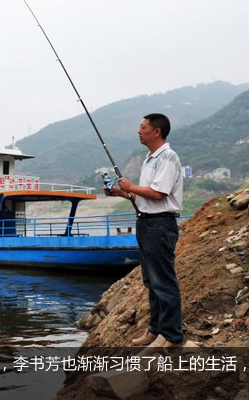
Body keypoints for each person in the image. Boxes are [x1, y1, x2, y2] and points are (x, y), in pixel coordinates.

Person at [104, 113, 184, 347]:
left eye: (142, 127)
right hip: (146, 222)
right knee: (151, 280)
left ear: (156, 131)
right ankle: (156, 330)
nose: (139, 131)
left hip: (161, 224)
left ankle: (171, 336)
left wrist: (131, 186)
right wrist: (121, 192)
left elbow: (159, 193)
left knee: (164, 281)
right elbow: (144, 194)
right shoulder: (150, 158)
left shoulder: (167, 157)